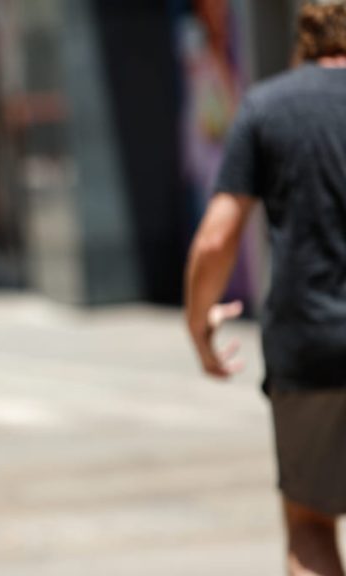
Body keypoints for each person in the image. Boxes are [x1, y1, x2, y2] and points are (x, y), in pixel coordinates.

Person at [185, 3, 346, 574]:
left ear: (303, 38)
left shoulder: (267, 107)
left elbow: (215, 239)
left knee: (309, 526)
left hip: (309, 347)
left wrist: (199, 326)